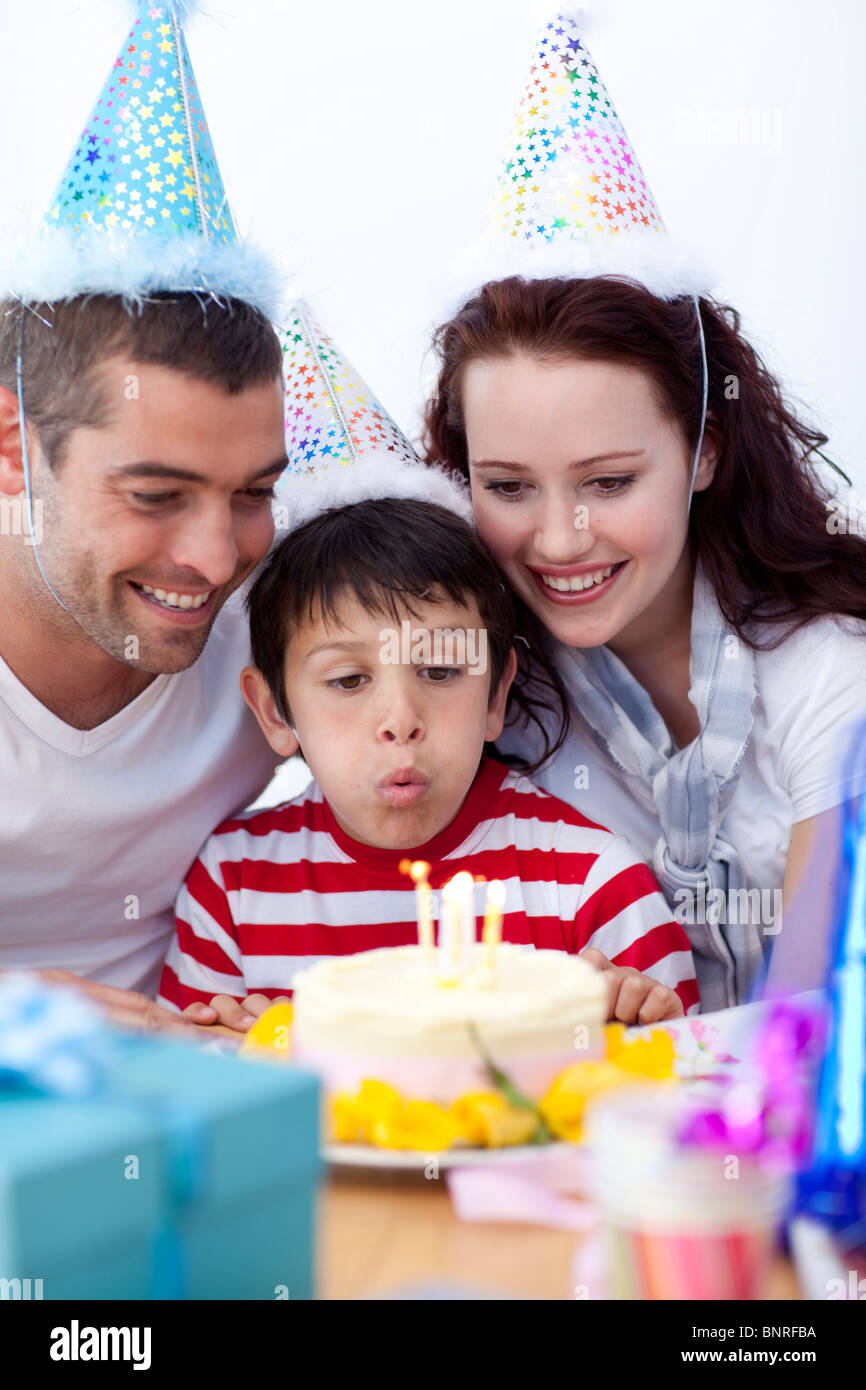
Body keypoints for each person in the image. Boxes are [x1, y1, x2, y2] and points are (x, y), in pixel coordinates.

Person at [419, 11, 866, 1009]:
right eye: (507, 486)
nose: (558, 539)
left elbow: (812, 1020)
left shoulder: (826, 675)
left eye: (608, 482)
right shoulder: (483, 700)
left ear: (702, 449)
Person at [0, 2, 288, 1029]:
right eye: (156, 496)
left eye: (254, 491)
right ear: (12, 445)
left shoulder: (288, 626)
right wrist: (51, 1016)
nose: (216, 560)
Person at [157, 496, 699, 1027]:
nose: (400, 719)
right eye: (348, 680)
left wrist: (638, 1030)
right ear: (276, 712)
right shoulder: (231, 885)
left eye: (440, 671)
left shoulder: (593, 886)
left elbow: (686, 1085)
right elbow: (187, 1092)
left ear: (494, 697)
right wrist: (247, 1059)